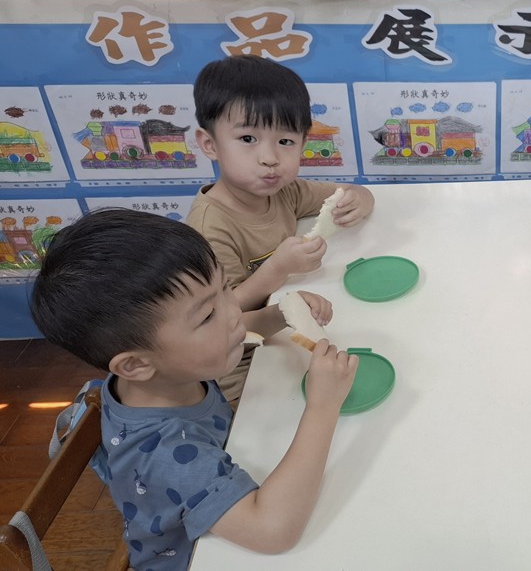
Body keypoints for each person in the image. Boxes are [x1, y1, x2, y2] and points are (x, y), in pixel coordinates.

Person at [31, 209, 359, 571]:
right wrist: (323, 406)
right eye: (206, 316)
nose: (233, 313)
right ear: (135, 364)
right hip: (198, 557)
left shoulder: (163, 372)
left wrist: (279, 314)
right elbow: (273, 530)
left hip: (225, 477)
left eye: (225, 288)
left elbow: (235, 327)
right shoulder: (165, 452)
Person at [186, 54, 374, 403]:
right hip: (240, 371)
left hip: (285, 336)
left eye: (285, 142)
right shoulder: (210, 226)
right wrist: (279, 268)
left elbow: (347, 192)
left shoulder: (284, 190)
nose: (270, 158)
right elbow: (220, 313)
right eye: (247, 138)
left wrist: (360, 198)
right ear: (209, 144)